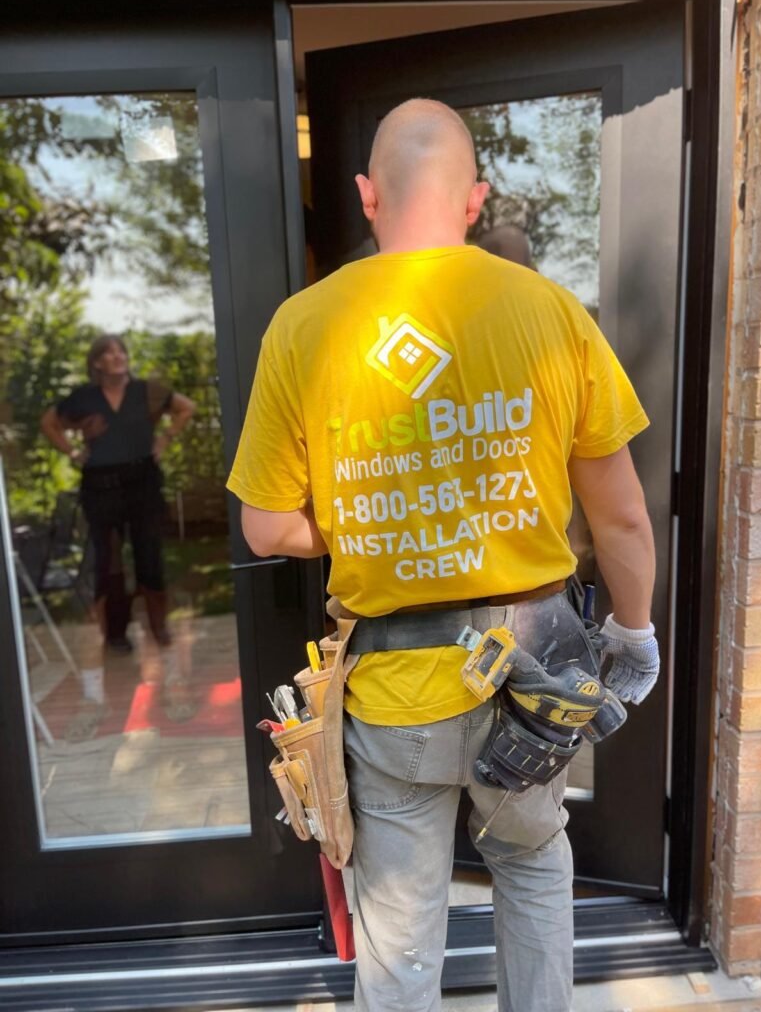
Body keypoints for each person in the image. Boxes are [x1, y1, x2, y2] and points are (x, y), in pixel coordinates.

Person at [227, 99, 659, 1012]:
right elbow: (619, 519)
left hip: (394, 694)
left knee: (401, 921)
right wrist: (635, 630)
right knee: (534, 869)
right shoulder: (547, 310)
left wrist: (372, 520)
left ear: (366, 195)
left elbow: (266, 528)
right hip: (535, 682)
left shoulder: (303, 326)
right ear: (475, 200)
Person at [41, 334, 195, 654]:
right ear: (97, 363)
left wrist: (164, 439)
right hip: (100, 486)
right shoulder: (84, 397)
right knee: (109, 562)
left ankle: (158, 627)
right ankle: (115, 635)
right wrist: (72, 452)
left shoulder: (145, 391)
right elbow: (49, 423)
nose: (117, 356)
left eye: (120, 351)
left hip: (143, 482)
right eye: (109, 353)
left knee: (149, 554)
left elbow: (185, 408)